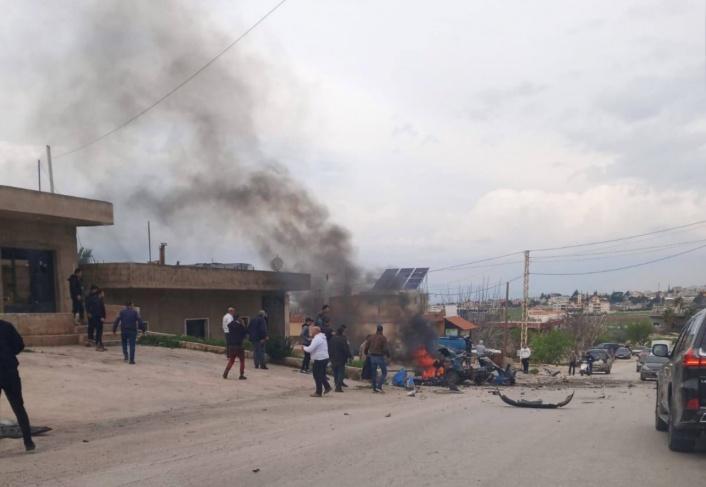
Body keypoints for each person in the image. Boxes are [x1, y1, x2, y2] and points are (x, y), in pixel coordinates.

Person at [0, 319, 35, 452]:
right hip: (9, 371)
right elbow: (19, 345)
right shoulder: (7, 326)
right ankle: (28, 442)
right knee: (18, 407)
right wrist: (8, 354)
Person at [303, 326, 331, 397]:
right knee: (321, 374)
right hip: (324, 358)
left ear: (316, 331)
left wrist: (304, 348)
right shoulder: (322, 337)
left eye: (312, 331)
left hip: (319, 359)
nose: (311, 332)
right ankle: (327, 387)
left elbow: (310, 349)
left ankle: (318, 392)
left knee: (317, 375)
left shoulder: (317, 338)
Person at [364, 324, 390, 393]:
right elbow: (385, 349)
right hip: (379, 357)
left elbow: (366, 347)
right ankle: (379, 386)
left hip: (372, 357)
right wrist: (388, 355)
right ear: (382, 330)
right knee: (384, 372)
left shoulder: (371, 337)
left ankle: (374, 388)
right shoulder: (383, 338)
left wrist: (366, 353)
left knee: (373, 373)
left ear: (377, 330)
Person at [223, 314, 248, 380]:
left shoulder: (230, 325)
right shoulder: (241, 326)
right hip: (239, 346)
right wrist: (243, 324)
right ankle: (241, 375)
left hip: (231, 345)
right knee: (242, 361)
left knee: (231, 360)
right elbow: (245, 333)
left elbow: (229, 324)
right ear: (238, 319)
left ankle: (225, 373)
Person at [329, 325, 352, 392]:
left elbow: (329, 348)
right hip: (341, 358)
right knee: (341, 372)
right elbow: (346, 349)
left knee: (335, 372)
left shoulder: (332, 338)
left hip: (333, 358)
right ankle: (338, 387)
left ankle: (336, 384)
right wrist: (350, 356)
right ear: (342, 332)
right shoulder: (343, 339)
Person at [85, 286, 107, 351]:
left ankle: (99, 343)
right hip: (98, 318)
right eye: (103, 293)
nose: (104, 294)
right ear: (100, 293)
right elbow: (98, 310)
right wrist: (101, 317)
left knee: (99, 331)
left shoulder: (99, 299)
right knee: (98, 331)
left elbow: (102, 309)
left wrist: (103, 316)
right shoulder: (96, 300)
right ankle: (98, 344)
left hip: (98, 318)